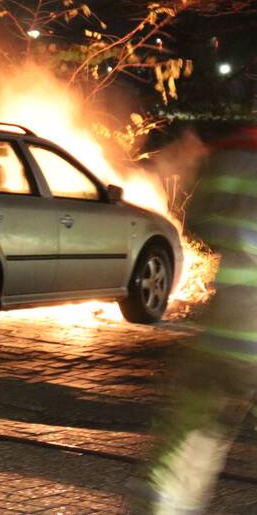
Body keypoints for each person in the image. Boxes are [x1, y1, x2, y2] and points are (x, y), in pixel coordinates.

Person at [130, 126, 257, 513]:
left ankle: (162, 499)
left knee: (189, 430)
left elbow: (201, 218)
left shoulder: (235, 153)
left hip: (222, 330)